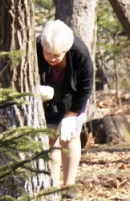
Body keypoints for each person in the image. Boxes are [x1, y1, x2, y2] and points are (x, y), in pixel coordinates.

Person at [35, 20, 93, 188]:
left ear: (66, 50)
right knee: (49, 136)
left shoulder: (80, 54)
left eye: (57, 55)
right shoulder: (37, 48)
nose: (52, 58)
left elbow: (85, 88)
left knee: (70, 136)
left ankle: (69, 185)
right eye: (48, 53)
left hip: (73, 99)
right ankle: (51, 184)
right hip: (46, 99)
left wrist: (71, 115)